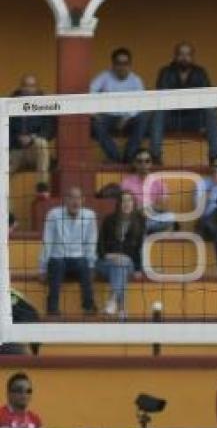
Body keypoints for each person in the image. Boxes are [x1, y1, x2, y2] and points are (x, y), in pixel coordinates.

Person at [150, 42, 217, 165]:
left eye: (187, 54)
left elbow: (207, 97)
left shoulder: (200, 72)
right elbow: (162, 97)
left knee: (210, 110)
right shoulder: (165, 72)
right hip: (171, 119)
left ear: (192, 57)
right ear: (175, 56)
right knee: (158, 111)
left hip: (194, 120)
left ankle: (214, 156)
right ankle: (155, 155)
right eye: (181, 54)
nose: (184, 58)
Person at [40, 187, 98, 316]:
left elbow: (91, 242)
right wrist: (42, 268)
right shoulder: (53, 215)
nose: (75, 201)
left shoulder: (89, 216)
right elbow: (47, 241)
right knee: (57, 264)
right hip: (58, 258)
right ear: (65, 200)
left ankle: (88, 306)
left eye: (78, 198)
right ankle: (52, 308)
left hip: (79, 259)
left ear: (83, 200)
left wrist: (92, 265)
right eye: (71, 197)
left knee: (84, 265)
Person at [90, 48, 147, 163]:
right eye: (118, 63)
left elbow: (141, 103)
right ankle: (114, 157)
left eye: (125, 63)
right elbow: (90, 91)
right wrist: (93, 112)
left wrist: (126, 117)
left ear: (130, 65)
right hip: (108, 116)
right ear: (113, 65)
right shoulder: (104, 76)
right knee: (95, 123)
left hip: (129, 117)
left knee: (143, 118)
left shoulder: (136, 80)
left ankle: (130, 157)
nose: (122, 67)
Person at [96, 191, 146, 318]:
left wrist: (138, 268)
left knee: (122, 263)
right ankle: (122, 310)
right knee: (119, 266)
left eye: (129, 200)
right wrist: (110, 256)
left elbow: (139, 248)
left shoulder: (140, 222)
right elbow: (100, 245)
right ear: (118, 204)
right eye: (124, 200)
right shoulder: (109, 220)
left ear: (134, 203)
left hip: (129, 263)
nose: (127, 203)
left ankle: (112, 301)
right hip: (105, 262)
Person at [9, 74, 54, 189]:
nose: (29, 89)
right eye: (26, 85)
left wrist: (32, 138)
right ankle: (6, 206)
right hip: (16, 150)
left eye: (32, 86)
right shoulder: (9, 103)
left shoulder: (45, 104)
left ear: (37, 88)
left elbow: (49, 130)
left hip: (34, 151)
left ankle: (42, 187)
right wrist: (17, 138)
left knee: (42, 143)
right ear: (21, 87)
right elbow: (5, 130)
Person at [120, 148, 177, 233]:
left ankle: (142, 231)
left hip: (152, 218)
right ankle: (144, 231)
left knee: (170, 217)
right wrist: (139, 210)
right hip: (134, 219)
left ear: (151, 163)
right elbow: (124, 206)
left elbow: (165, 206)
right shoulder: (126, 183)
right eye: (140, 161)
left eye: (147, 161)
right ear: (134, 163)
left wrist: (148, 208)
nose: (143, 164)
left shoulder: (158, 181)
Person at [195, 155, 217, 272]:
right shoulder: (202, 184)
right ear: (211, 168)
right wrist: (214, 188)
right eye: (216, 166)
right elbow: (199, 211)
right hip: (206, 224)